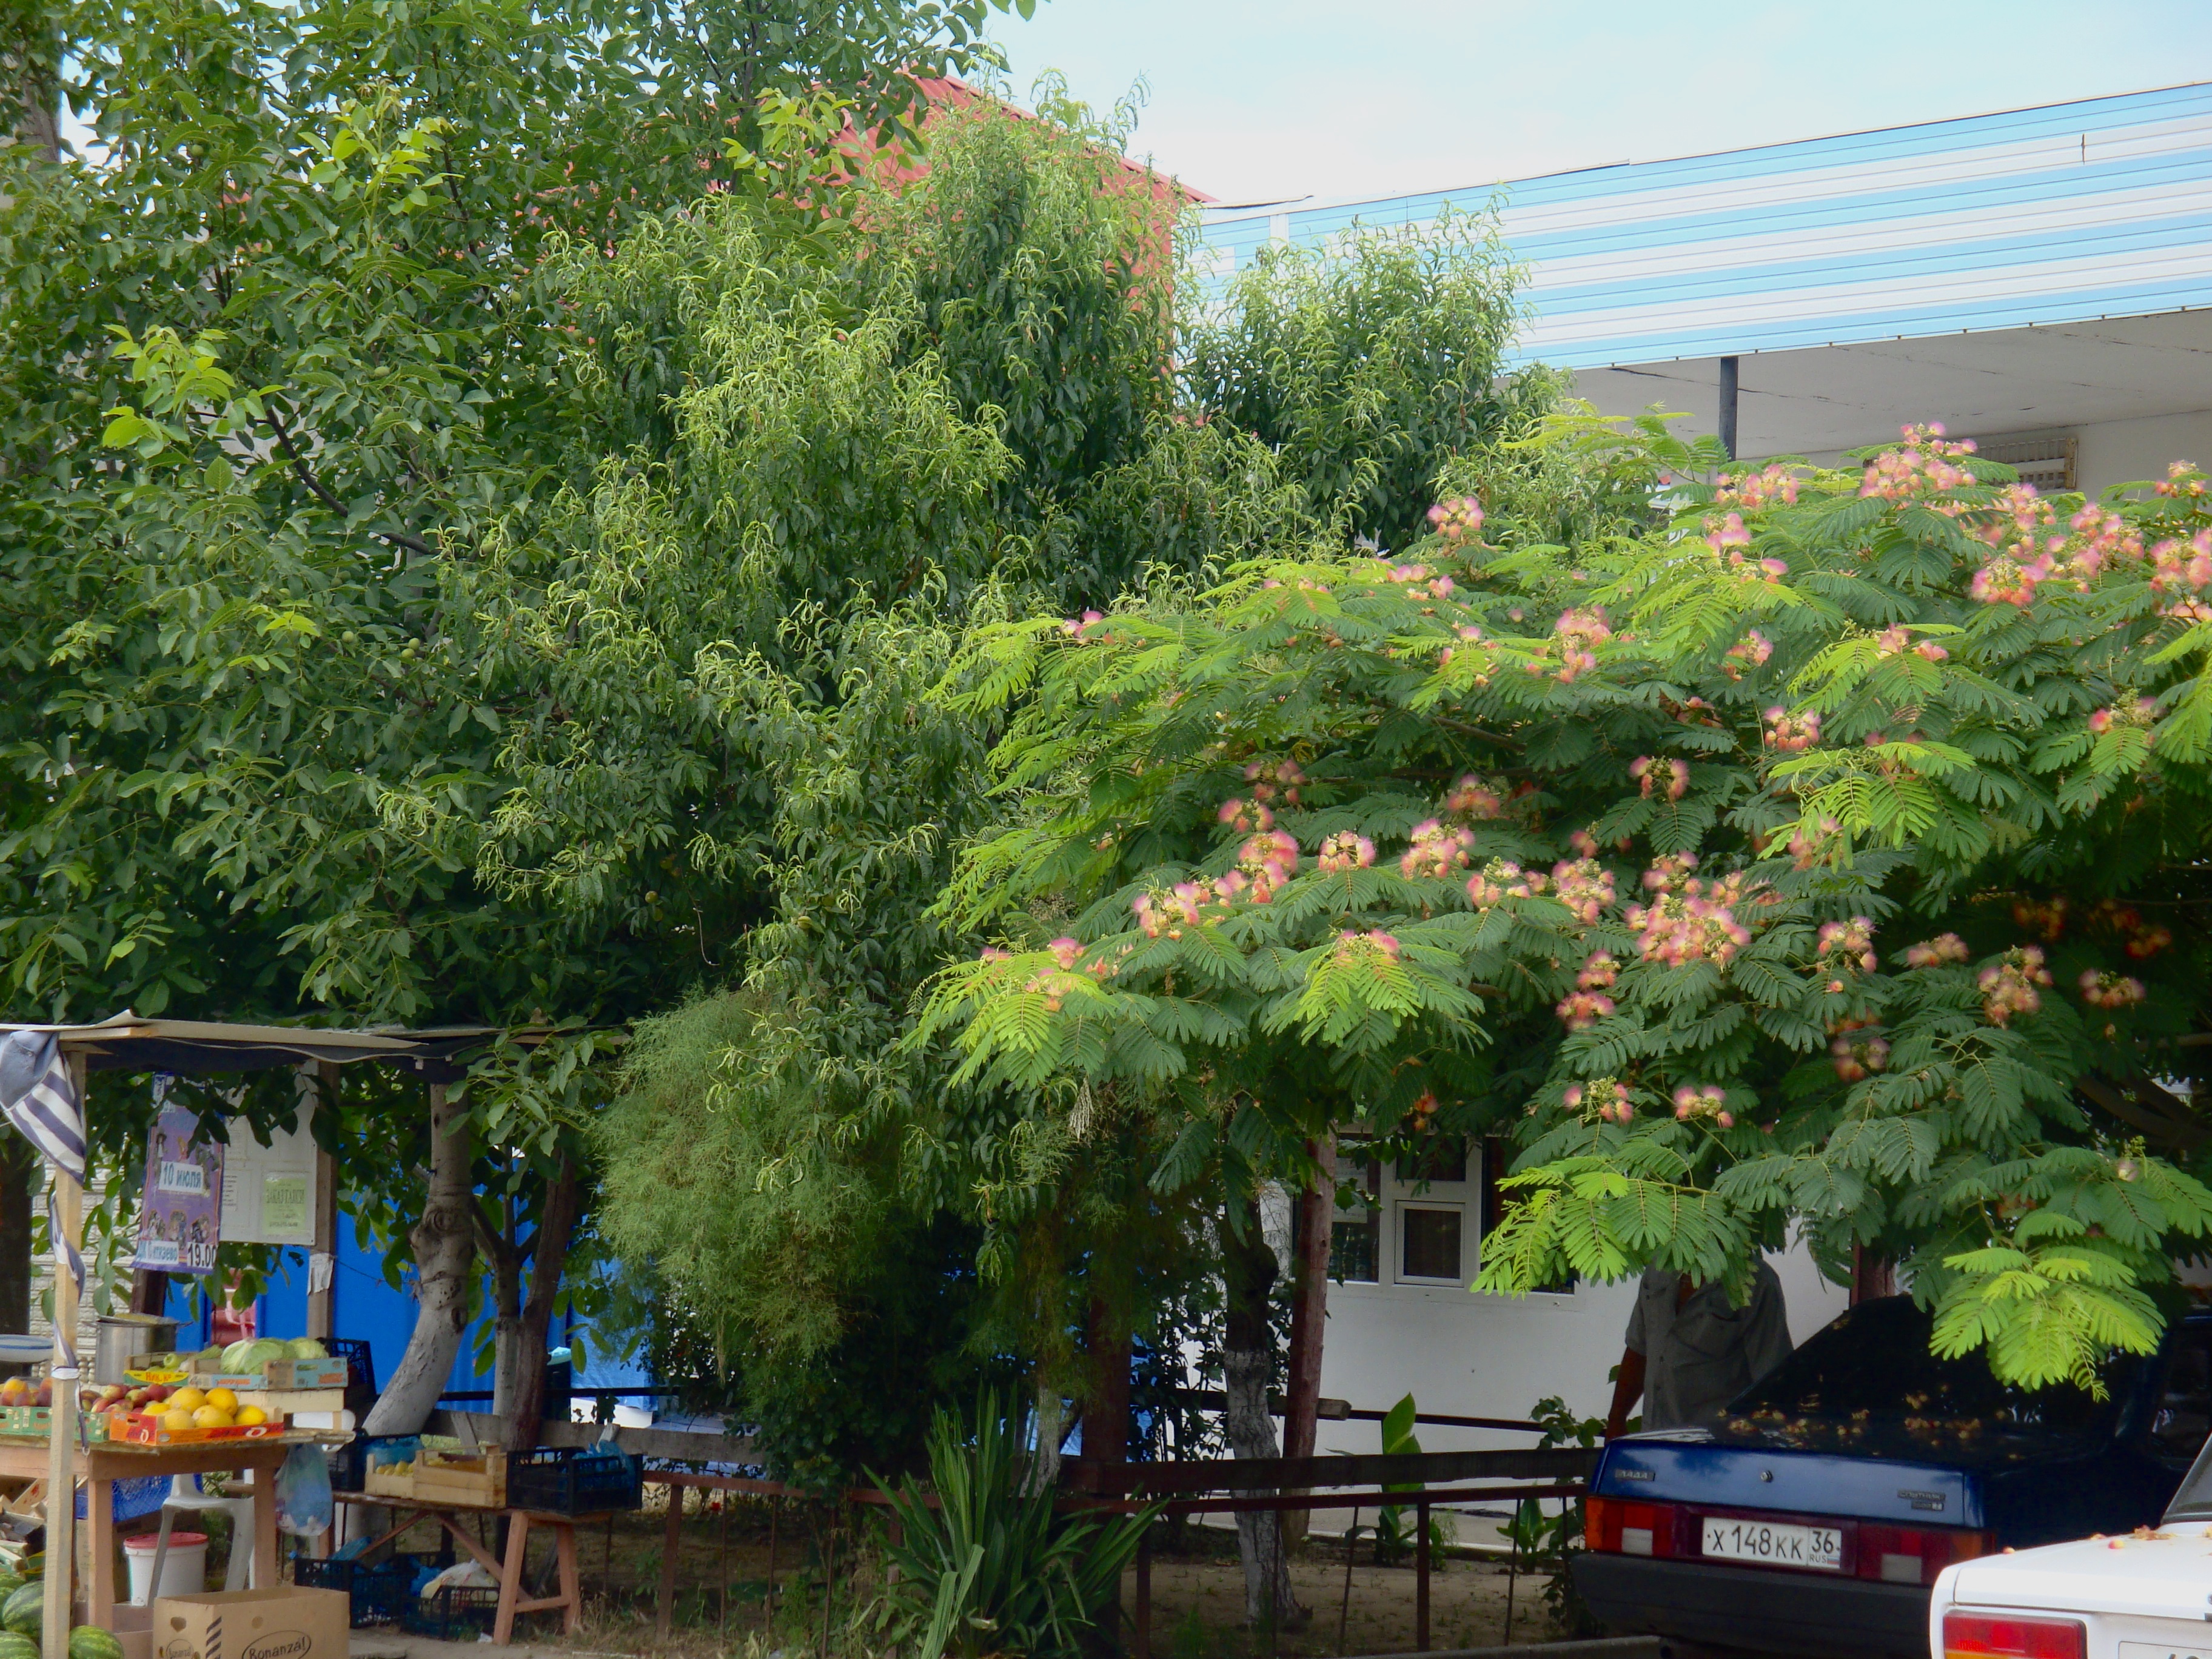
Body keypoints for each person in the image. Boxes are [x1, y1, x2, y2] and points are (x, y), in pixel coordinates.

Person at [1604, 1258, 1793, 1437]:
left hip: (1717, 1446)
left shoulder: (1758, 1282)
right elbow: (1639, 1348)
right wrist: (1616, 1420)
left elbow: (1774, 1381)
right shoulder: (1659, 1266)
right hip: (1654, 1440)